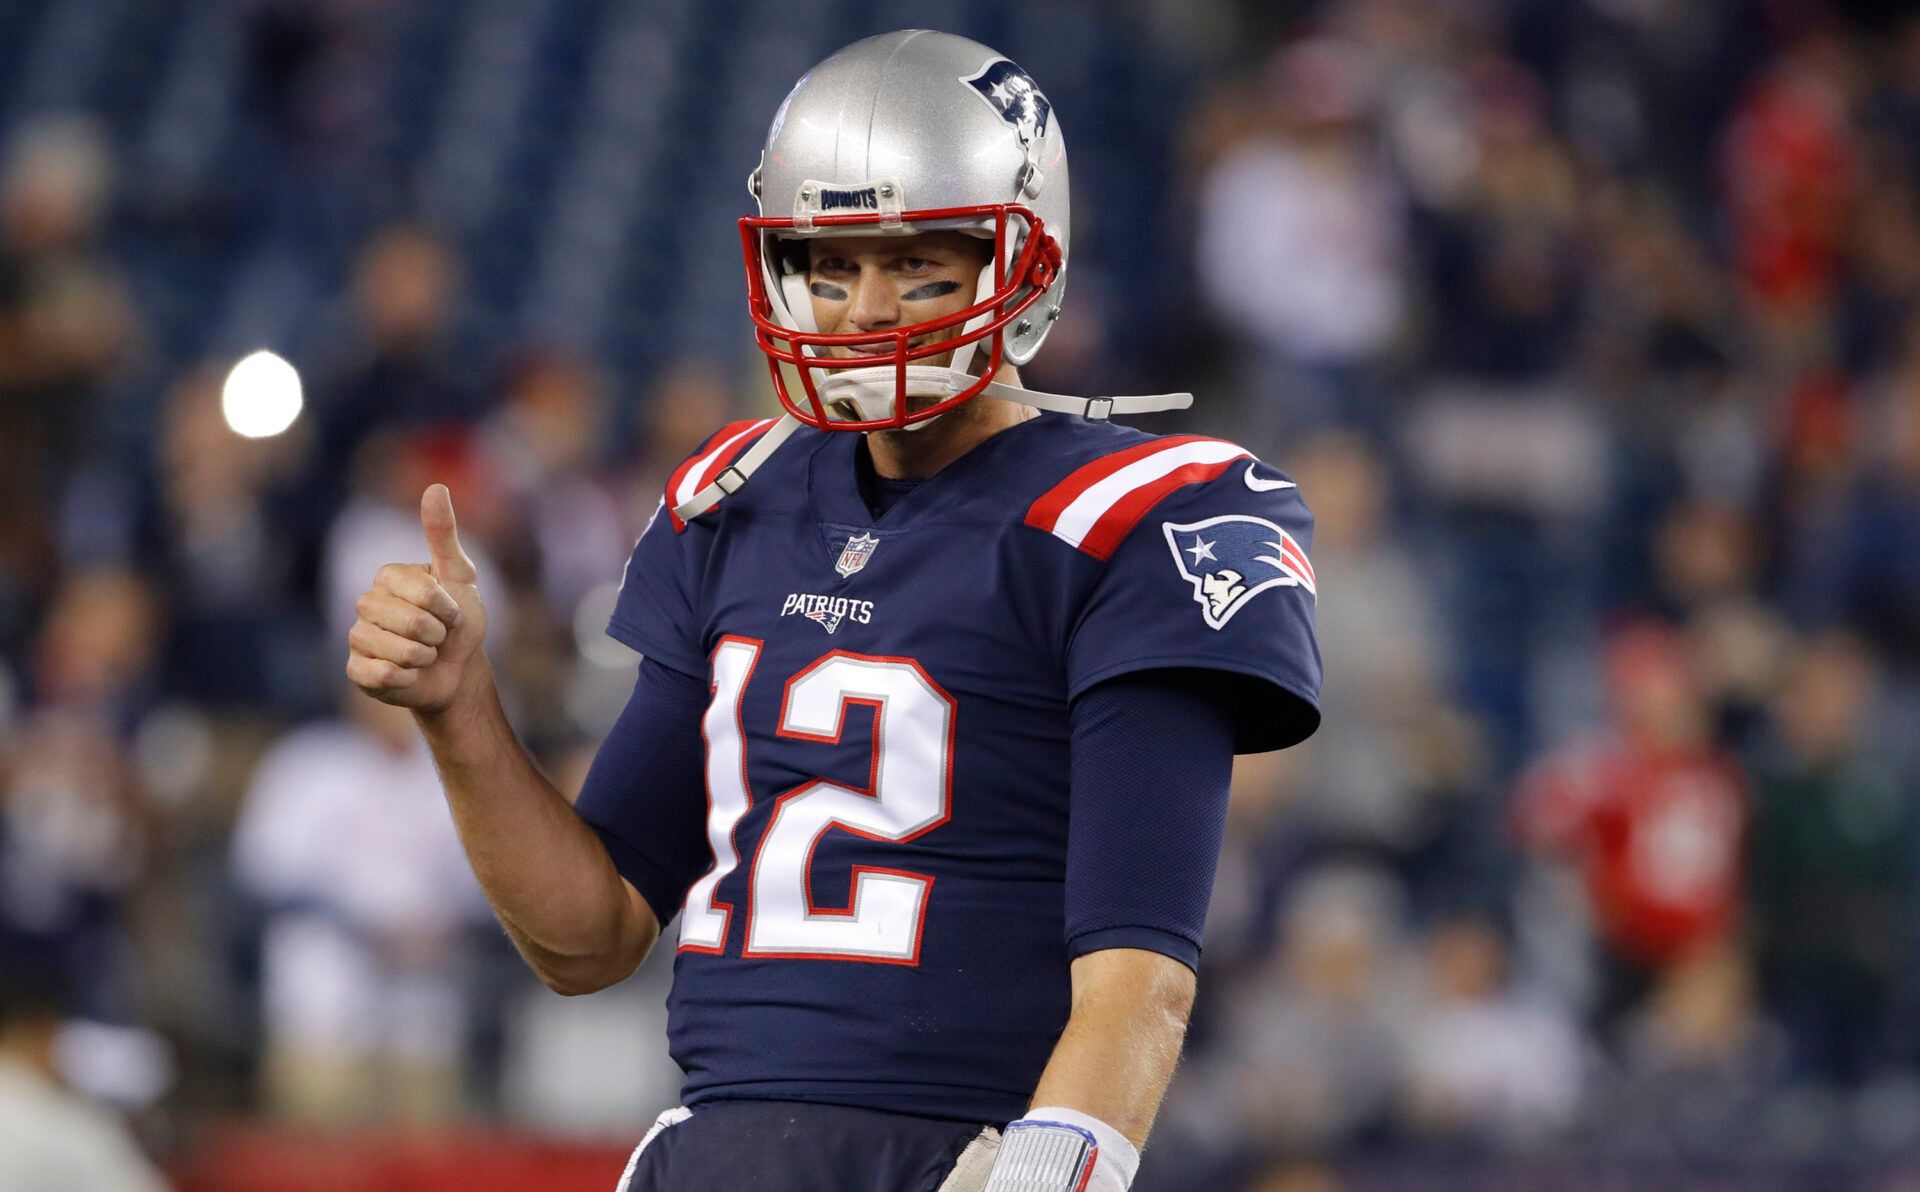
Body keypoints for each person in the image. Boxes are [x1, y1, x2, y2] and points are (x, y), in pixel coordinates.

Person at [344, 30, 1321, 1192]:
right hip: (717, 1150)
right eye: (831, 263)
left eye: (918, 264)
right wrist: (462, 715)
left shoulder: (1135, 514)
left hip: (971, 1153)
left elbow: (1140, 976)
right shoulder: (733, 500)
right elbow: (590, 933)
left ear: (1024, 261)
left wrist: (1056, 1171)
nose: (865, 309)